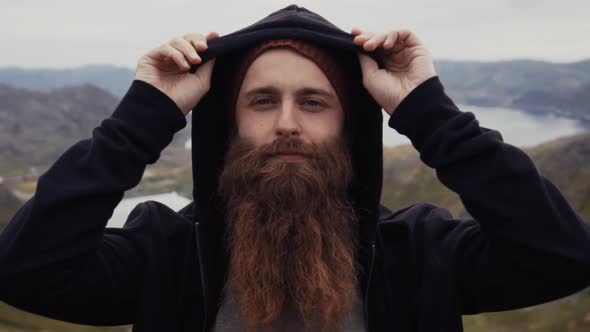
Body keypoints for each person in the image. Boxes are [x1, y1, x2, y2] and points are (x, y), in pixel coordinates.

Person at [0, 4, 589, 332]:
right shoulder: (164, 250)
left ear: (349, 127)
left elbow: (560, 257)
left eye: (313, 102)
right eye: (262, 101)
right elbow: (26, 271)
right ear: (228, 126)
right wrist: (142, 117)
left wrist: (426, 109)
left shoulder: (417, 253)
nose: (287, 123)